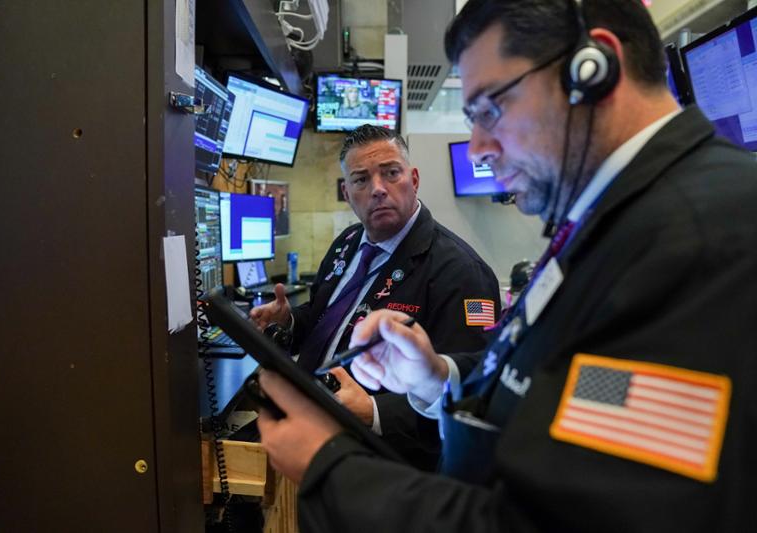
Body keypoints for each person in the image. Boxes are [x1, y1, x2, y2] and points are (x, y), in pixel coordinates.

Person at [256, 0, 757, 531]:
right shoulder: (618, 219)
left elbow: (559, 521)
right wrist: (437, 378)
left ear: (593, 71)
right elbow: (575, 387)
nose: (477, 148)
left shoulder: (705, 234)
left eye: (490, 108)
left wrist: (328, 467)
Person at [250, 124, 500, 469]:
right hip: (309, 426)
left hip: (380, 457)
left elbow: (471, 388)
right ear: (347, 192)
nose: (378, 189)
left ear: (414, 179)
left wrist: (375, 411)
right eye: (361, 179)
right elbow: (326, 319)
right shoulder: (348, 243)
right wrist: (289, 321)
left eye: (391, 173)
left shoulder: (461, 271)